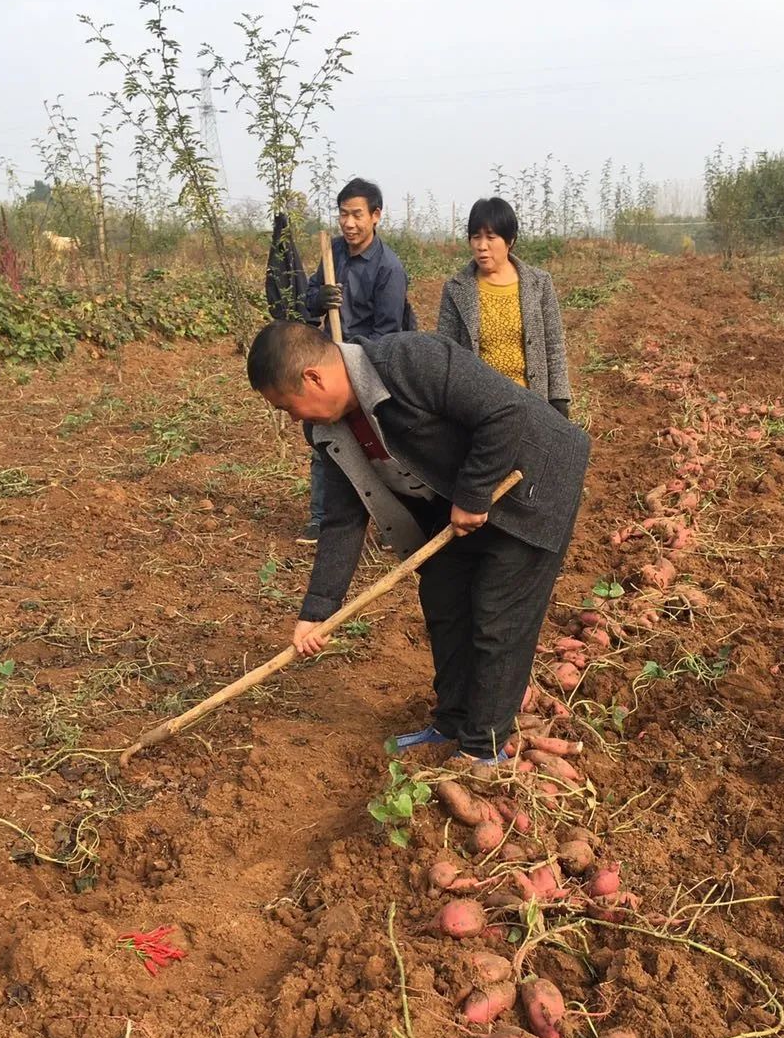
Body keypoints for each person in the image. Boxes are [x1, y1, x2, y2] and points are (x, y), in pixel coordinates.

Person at [246, 321, 590, 763]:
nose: (294, 419)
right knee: (444, 598)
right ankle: (451, 723)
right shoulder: (328, 431)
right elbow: (343, 518)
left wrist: (473, 494)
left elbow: (505, 412)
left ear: (313, 377)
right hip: (456, 496)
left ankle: (483, 749)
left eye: (287, 406)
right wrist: (317, 611)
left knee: (499, 616)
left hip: (531, 481)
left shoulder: (410, 361)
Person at [300, 177, 413, 544]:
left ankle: (391, 522)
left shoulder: (388, 269)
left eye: (357, 215)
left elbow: (387, 334)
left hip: (365, 367)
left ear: (375, 216)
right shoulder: (332, 252)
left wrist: (350, 365)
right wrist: (319, 299)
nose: (348, 223)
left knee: (375, 447)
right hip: (328, 362)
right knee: (325, 438)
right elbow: (308, 300)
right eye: (343, 215)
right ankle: (321, 518)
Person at [438, 196, 570, 417]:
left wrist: (559, 400)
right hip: (479, 409)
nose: (482, 246)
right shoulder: (456, 289)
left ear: (510, 240)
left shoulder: (539, 284)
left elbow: (554, 345)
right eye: (475, 237)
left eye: (491, 237)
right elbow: (446, 353)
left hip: (531, 403)